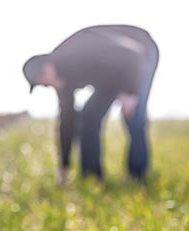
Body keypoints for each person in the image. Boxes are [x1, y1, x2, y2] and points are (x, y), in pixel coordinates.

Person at [23, 25, 159, 184]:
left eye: (42, 81)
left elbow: (132, 54)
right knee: (88, 117)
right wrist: (64, 166)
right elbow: (67, 122)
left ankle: (138, 176)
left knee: (132, 112)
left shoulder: (78, 51)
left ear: (47, 67)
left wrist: (130, 92)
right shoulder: (62, 82)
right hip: (111, 74)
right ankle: (92, 177)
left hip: (141, 52)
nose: (46, 86)